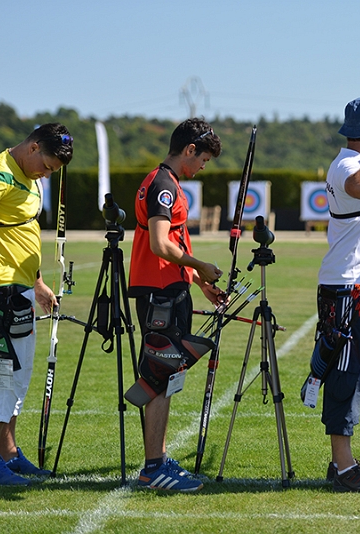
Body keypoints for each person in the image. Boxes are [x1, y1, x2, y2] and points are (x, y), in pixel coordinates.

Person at [0, 123, 74, 486]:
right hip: (1, 292)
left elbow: (20, 231)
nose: (46, 174)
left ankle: (7, 454)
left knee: (18, 378)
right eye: (46, 166)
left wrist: (37, 283)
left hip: (22, 290)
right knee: (1, 378)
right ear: (33, 147)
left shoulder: (29, 176)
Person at [126, 118, 223, 492]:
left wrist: (198, 282)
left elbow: (173, 244)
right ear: (189, 150)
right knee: (160, 373)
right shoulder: (163, 185)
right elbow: (160, 244)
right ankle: (154, 468)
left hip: (169, 289)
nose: (203, 167)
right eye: (203, 160)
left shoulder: (165, 182)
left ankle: (159, 459)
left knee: (165, 373)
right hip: (160, 293)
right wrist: (200, 265)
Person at [305, 97, 360, 493]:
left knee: (349, 368)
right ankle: (344, 468)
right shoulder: (349, 166)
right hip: (347, 286)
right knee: (343, 371)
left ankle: (342, 461)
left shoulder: (357, 164)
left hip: (358, 283)